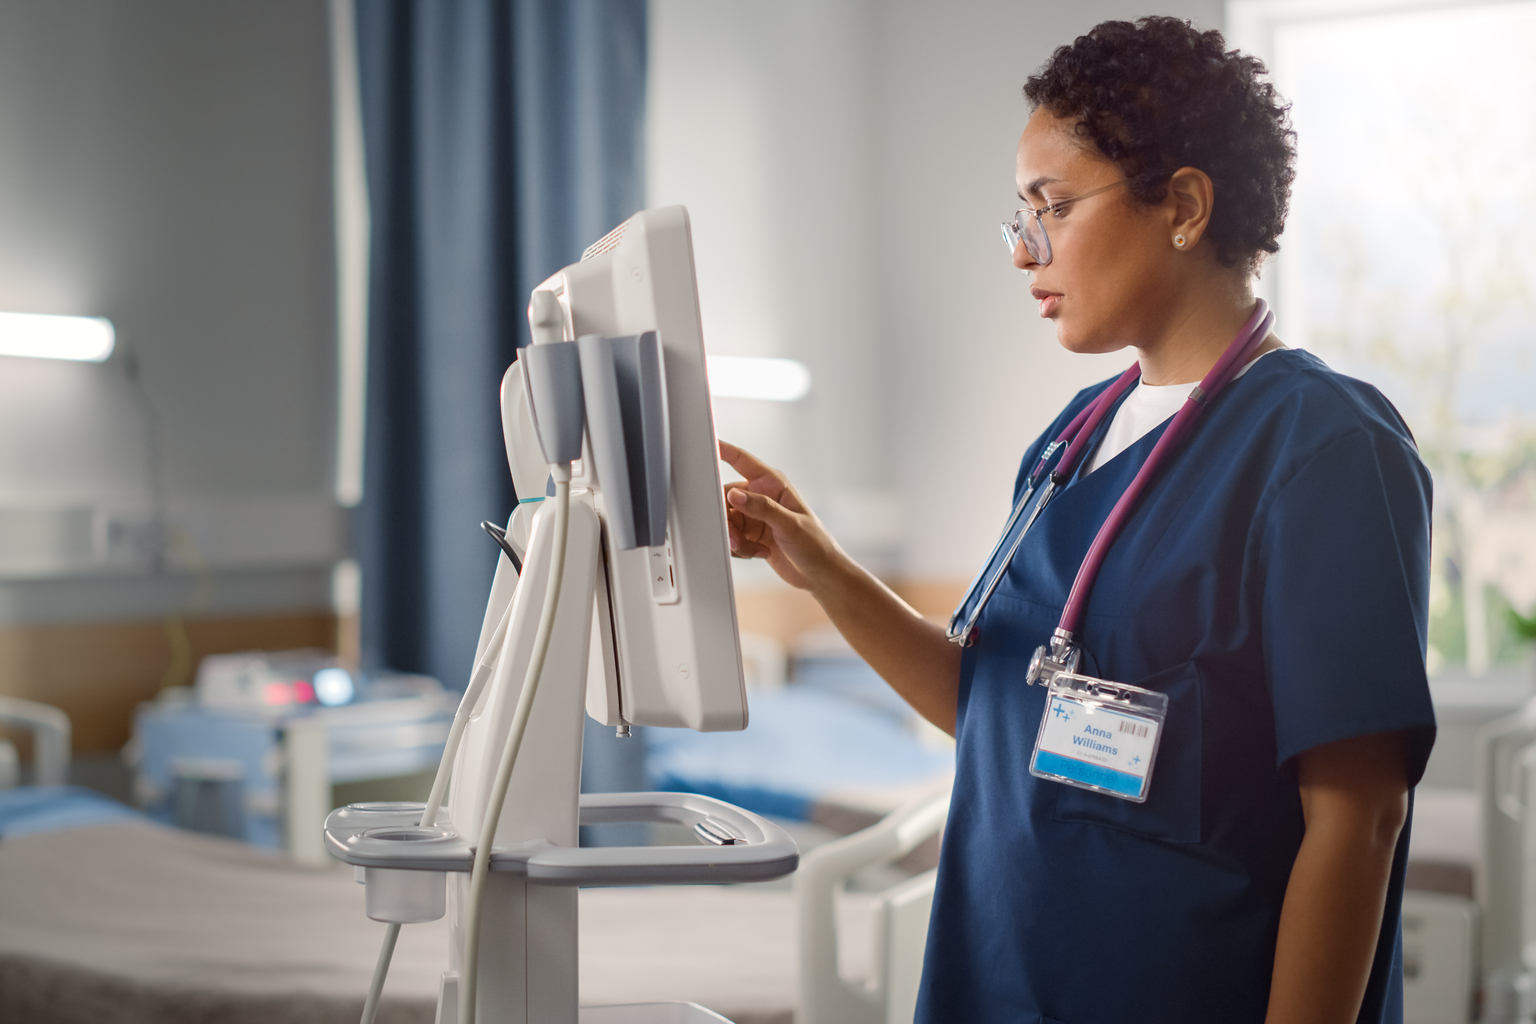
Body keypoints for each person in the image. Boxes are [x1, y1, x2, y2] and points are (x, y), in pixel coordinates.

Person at [719, 16, 1435, 1024]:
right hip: (998, 978)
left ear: (1183, 205)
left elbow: (1359, 818)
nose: (1025, 252)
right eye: (1019, 216)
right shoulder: (1067, 442)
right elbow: (993, 705)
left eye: (1051, 208)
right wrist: (821, 565)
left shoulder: (1323, 449)